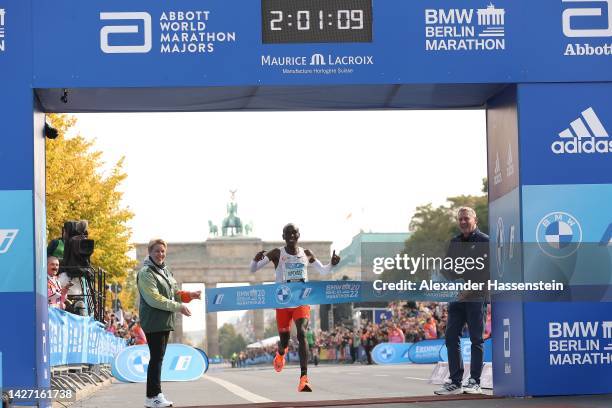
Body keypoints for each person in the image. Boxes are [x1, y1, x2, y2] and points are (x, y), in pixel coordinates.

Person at [250, 223, 340, 392]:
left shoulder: (306, 253)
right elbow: (253, 270)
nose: (292, 235)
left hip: (301, 299)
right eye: (288, 233)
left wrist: (332, 264)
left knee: (302, 333)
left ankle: (304, 379)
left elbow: (322, 271)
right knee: (284, 339)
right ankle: (281, 353)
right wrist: (255, 260)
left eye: (295, 233)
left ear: (299, 235)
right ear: (283, 236)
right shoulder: (277, 253)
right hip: (282, 300)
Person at [137, 238, 201, 408]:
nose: (160, 254)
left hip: (163, 320)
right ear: (149, 252)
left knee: (158, 358)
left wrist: (189, 295)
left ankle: (155, 395)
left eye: (163, 251)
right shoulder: (146, 273)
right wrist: (179, 307)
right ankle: (152, 397)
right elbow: (154, 298)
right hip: (154, 320)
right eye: (157, 251)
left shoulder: (164, 271)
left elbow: (173, 292)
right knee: (156, 358)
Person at [435, 207, 489, 395]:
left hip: (476, 296)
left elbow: (488, 272)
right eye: (460, 219)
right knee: (451, 337)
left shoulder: (485, 241)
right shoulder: (455, 241)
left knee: (476, 339)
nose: (463, 222)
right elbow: (448, 268)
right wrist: (445, 278)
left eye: (466, 218)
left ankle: (475, 381)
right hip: (456, 297)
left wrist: (470, 289)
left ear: (475, 219)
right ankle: (455, 381)